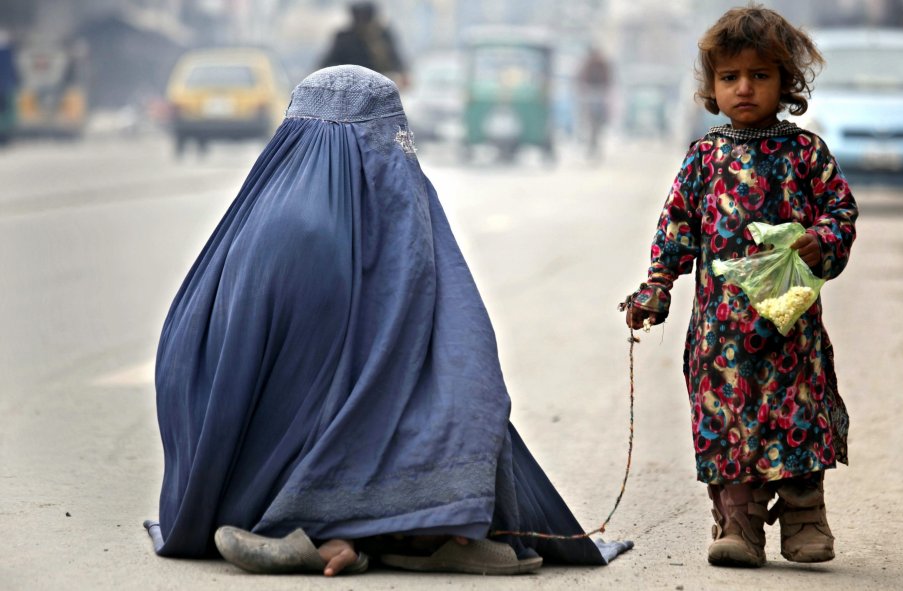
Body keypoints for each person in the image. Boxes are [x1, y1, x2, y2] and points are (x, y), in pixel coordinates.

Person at [143, 65, 631, 577]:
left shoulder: (265, 216)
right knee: (435, 394)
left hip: (230, 477)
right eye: (389, 137)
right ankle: (367, 526)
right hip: (277, 461)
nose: (399, 152)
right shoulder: (325, 230)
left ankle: (367, 532)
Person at [621, 4, 857, 568]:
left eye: (760, 75)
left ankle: (804, 520)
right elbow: (675, 228)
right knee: (727, 423)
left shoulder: (805, 153)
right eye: (730, 77)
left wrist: (823, 238)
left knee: (797, 414)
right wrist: (657, 287)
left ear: (786, 82)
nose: (744, 88)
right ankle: (738, 524)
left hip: (789, 328)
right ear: (712, 86)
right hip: (720, 334)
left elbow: (841, 211)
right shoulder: (705, 156)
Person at [319, 2, 408, 88]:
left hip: (380, 84)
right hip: (351, 85)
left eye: (365, 18)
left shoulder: (383, 35)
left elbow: (395, 59)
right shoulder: (345, 38)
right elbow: (328, 63)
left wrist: (402, 73)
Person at [576, 46, 612, 159]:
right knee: (591, 123)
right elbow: (581, 79)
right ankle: (592, 144)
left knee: (595, 123)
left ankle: (593, 143)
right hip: (592, 95)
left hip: (597, 95)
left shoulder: (598, 65)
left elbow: (608, 79)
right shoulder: (591, 65)